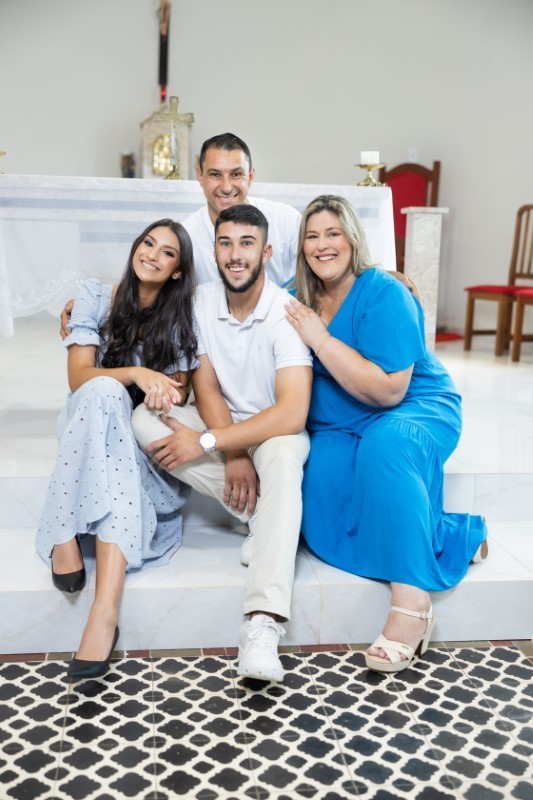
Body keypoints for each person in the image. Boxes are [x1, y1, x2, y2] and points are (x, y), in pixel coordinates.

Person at [285, 194, 488, 674]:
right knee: (321, 490)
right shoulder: (295, 295)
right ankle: (453, 534)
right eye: (312, 236)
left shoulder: (385, 292)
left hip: (413, 407)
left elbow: (389, 391)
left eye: (333, 233)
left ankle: (412, 606)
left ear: (353, 239)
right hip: (341, 419)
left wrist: (320, 339)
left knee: (386, 448)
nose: (322, 245)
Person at [131, 204, 312, 683]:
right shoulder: (200, 301)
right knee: (146, 419)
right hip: (225, 428)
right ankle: (262, 517)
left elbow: (292, 413)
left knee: (285, 456)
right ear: (213, 252)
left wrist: (211, 441)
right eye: (226, 243)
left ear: (266, 253)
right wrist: (231, 453)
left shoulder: (285, 314)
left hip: (274, 431)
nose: (235, 255)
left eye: (247, 244)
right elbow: (206, 384)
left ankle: (263, 623)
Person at [36, 219, 198, 680]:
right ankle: (73, 552)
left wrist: (162, 394)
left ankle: (102, 611)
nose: (152, 255)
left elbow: (177, 392)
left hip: (133, 447)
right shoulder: (94, 296)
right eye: (148, 243)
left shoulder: (179, 320)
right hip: (87, 427)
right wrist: (135, 373)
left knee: (116, 412)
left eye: (167, 252)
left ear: (177, 271)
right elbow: (78, 378)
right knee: (103, 391)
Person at [183, 132, 301, 286]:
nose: (226, 187)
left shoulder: (287, 220)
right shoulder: (186, 236)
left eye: (236, 174)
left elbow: (311, 281)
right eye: (215, 174)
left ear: (250, 176)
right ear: (200, 176)